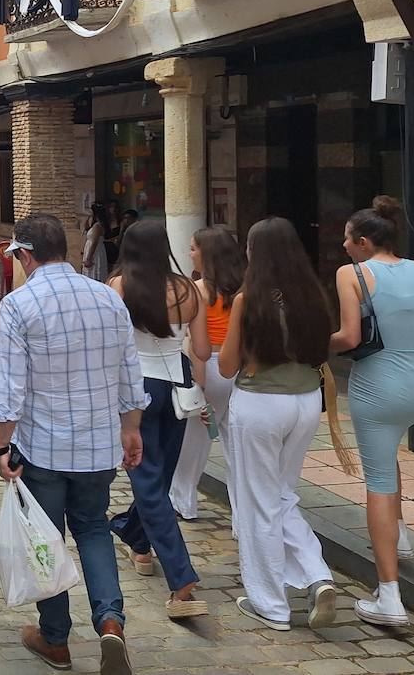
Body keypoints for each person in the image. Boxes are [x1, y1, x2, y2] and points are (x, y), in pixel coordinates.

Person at [0, 213, 145, 675]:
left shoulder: (19, 305)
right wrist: (131, 427)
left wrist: (1, 447)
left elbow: (10, 389)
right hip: (97, 444)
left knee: (47, 537)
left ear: (26, 254)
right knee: (94, 529)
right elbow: (128, 372)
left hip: (44, 446)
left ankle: (55, 638)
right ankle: (111, 621)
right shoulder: (107, 298)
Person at [218, 217, 337, 632]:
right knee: (282, 494)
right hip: (305, 400)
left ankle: (271, 603)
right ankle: (316, 574)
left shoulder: (247, 299)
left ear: (255, 253)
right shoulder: (313, 295)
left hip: (260, 403)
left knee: (257, 504)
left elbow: (227, 364)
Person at [331, 197, 414, 627]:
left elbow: (349, 335)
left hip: (380, 388)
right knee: (388, 452)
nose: (343, 246)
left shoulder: (352, 274)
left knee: (377, 478)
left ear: (362, 241)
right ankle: (402, 538)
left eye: (346, 238)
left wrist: (316, 345)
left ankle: (389, 596)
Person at [106, 221, 209, 618]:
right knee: (159, 474)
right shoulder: (187, 287)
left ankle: (181, 579)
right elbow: (199, 347)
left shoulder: (118, 286)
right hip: (179, 382)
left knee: (149, 481)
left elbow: (113, 347)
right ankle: (135, 536)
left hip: (137, 384)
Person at [170, 226, 245, 522]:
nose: (189, 254)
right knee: (237, 447)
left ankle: (183, 501)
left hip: (210, 366)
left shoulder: (196, 291)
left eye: (193, 248)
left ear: (207, 254)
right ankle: (243, 514)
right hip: (238, 369)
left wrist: (197, 385)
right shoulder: (243, 290)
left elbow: (195, 345)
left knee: (193, 444)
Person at [82, 203, 110, 283]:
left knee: (94, 274)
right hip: (91, 250)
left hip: (95, 253)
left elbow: (94, 242)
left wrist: (89, 258)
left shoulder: (97, 226)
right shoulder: (94, 225)